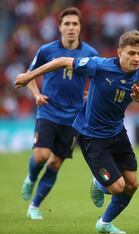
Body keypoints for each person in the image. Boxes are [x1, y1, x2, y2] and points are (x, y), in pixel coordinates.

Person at [15, 30, 139, 234]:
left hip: (117, 133)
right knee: (117, 187)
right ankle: (98, 182)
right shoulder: (99, 66)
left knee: (132, 184)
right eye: (131, 53)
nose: (136, 58)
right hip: (92, 136)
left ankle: (104, 223)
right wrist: (30, 76)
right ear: (119, 52)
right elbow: (64, 61)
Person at [19, 7, 98, 220]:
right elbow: (28, 75)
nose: (71, 28)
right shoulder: (47, 51)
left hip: (73, 118)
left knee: (55, 163)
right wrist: (36, 94)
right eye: (67, 24)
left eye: (75, 24)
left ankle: (34, 206)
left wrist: (89, 94)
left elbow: (99, 80)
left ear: (80, 28)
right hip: (48, 112)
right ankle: (31, 177)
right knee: (42, 156)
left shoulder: (90, 53)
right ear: (60, 27)